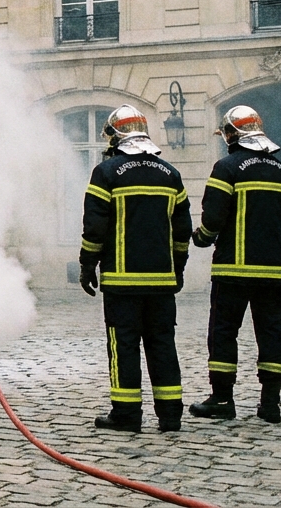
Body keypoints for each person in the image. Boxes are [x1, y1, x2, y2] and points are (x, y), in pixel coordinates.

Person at [79, 105, 192, 434]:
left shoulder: (106, 172)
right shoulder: (171, 174)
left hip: (121, 282)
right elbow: (182, 232)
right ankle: (170, 415)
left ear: (114, 137)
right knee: (162, 344)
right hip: (162, 281)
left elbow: (95, 227)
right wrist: (178, 269)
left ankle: (127, 415)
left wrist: (88, 266)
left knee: (123, 345)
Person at [189, 105, 281, 424]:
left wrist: (201, 238)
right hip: (273, 274)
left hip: (232, 272)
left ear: (231, 135)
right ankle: (270, 404)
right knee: (270, 333)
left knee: (224, 332)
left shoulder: (226, 168)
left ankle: (222, 399)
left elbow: (213, 218)